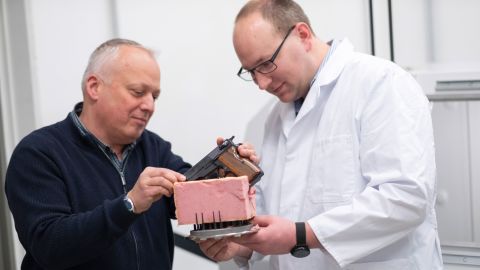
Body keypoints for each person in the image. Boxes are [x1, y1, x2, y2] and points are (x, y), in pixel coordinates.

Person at [199, 0, 443, 269]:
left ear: (302, 35)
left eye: (266, 64)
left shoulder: (380, 82)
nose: (262, 84)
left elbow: (406, 198)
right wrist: (240, 245)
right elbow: (275, 219)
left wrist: (301, 235)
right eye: (251, 72)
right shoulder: (270, 119)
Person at [4, 38, 258, 270]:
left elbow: (191, 193)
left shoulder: (154, 148)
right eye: (138, 92)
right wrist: (129, 204)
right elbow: (50, 246)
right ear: (94, 87)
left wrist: (230, 171)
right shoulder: (38, 153)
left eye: (154, 96)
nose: (149, 106)